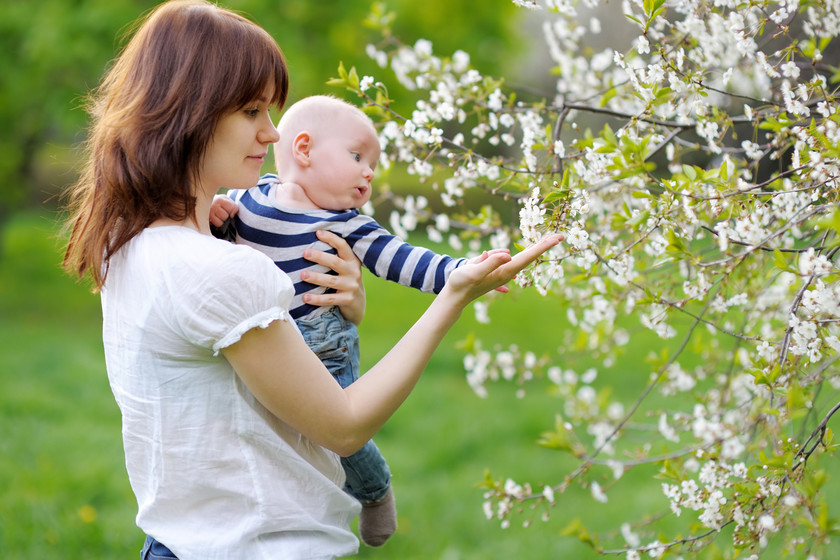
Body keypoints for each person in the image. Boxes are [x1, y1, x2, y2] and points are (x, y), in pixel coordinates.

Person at [62, 1, 561, 559]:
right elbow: (344, 427)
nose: (272, 134)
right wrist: (454, 294)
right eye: (252, 110)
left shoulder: (126, 245)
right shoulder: (217, 273)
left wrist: (339, 309)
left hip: (178, 540)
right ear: (192, 112)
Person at [209, 94, 511, 547]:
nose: (369, 172)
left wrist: (457, 270)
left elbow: (401, 259)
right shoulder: (245, 199)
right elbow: (215, 246)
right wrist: (215, 217)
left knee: (337, 434)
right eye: (357, 157)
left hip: (322, 342)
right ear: (305, 150)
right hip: (265, 341)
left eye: (372, 162)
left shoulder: (348, 225)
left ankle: (374, 489)